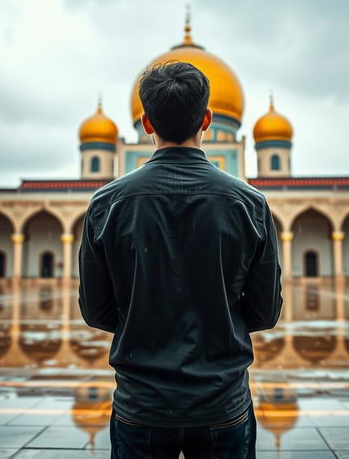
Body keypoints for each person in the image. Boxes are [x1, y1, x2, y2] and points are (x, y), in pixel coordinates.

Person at [79, 61, 283, 458]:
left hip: (142, 405)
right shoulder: (250, 205)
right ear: (207, 119)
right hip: (222, 403)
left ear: (146, 123)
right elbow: (265, 313)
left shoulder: (107, 204)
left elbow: (96, 312)